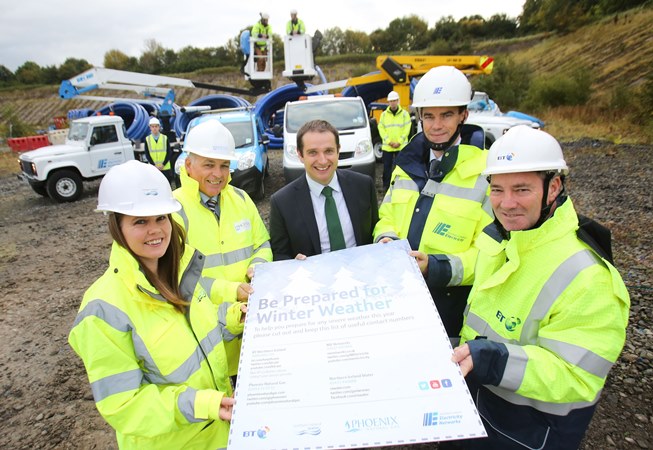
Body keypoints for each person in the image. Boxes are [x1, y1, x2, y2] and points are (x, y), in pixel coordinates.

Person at [452, 126, 630, 449]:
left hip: (525, 433)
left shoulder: (588, 275)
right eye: (497, 189)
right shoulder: (501, 237)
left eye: (521, 189)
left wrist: (493, 360)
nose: (506, 204)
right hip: (476, 408)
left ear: (553, 187)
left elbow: (575, 375)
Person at [68, 160, 246, 449]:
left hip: (220, 433)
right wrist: (201, 404)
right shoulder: (103, 311)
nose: (155, 230)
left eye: (161, 218)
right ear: (117, 226)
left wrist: (238, 315)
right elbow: (124, 405)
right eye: (140, 221)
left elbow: (200, 328)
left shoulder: (178, 271)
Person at [373, 66, 493, 341]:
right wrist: (386, 239)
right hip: (398, 298)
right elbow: (387, 215)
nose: (436, 125)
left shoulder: (486, 175)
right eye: (429, 116)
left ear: (464, 115)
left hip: (450, 310)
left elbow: (489, 256)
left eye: (446, 115)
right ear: (419, 117)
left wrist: (434, 267)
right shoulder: (405, 166)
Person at [173, 119, 271, 378]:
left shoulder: (241, 199)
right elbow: (179, 278)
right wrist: (232, 291)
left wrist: (257, 270)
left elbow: (262, 243)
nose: (218, 174)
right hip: (207, 345)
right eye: (209, 165)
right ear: (188, 165)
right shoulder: (172, 211)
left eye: (224, 165)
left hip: (250, 335)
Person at [270, 119, 379, 260]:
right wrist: (293, 266)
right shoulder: (282, 202)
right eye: (313, 152)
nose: (322, 160)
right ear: (300, 155)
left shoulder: (363, 185)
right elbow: (280, 254)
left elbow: (375, 232)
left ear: (338, 151)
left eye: (328, 151)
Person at [378, 90, 412, 190]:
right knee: (387, 168)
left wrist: (399, 142)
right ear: (388, 102)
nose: (393, 103)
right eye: (391, 101)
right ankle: (386, 186)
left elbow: (407, 129)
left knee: (401, 167)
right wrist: (389, 141)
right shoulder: (384, 115)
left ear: (398, 101)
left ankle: (400, 186)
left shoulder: (405, 114)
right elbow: (381, 128)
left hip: (400, 146)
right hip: (388, 147)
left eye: (394, 100)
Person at [143, 117, 174, 187]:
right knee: (156, 186)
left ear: (159, 127)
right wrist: (154, 165)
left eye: (156, 126)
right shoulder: (147, 139)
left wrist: (163, 164)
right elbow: (147, 154)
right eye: (152, 126)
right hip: (153, 168)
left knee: (167, 185)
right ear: (150, 127)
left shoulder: (164, 138)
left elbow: (169, 152)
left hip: (165, 167)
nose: (154, 128)